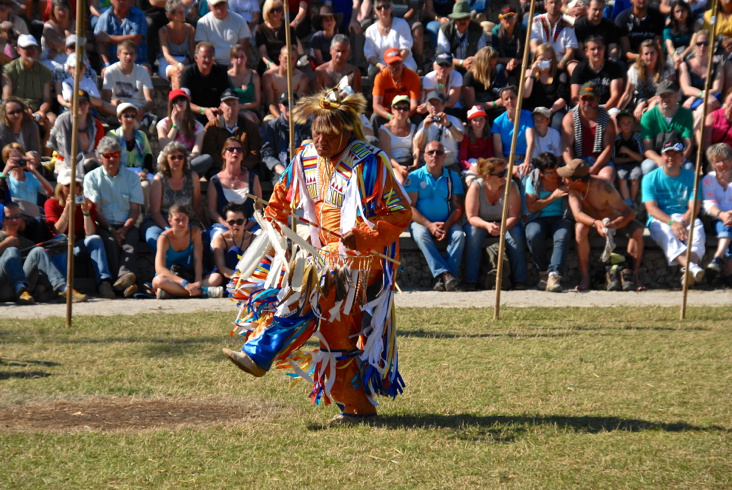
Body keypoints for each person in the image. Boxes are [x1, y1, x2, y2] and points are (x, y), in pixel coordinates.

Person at [222, 88, 412, 424]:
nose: (320, 141)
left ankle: (261, 353)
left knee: (311, 290)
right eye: (315, 133)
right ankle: (357, 408)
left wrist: (364, 235)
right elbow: (281, 200)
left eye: (329, 135)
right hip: (321, 255)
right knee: (334, 334)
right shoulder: (305, 158)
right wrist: (273, 218)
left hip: (361, 262)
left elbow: (399, 213)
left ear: (347, 132)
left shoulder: (369, 162)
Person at [560, 158, 646, 291]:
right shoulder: (573, 188)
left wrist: (614, 225)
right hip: (594, 225)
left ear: (578, 180)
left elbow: (628, 213)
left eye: (566, 178)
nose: (563, 180)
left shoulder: (603, 187)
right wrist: (596, 223)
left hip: (615, 223)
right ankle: (585, 277)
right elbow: (577, 215)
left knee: (638, 230)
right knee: (580, 228)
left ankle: (634, 276)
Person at [83, 137, 144, 298]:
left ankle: (122, 280)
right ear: (99, 157)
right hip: (103, 223)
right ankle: (126, 282)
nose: (112, 159)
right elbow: (96, 211)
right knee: (109, 242)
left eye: (115, 155)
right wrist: (111, 229)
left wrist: (124, 229)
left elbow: (135, 210)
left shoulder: (132, 177)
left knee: (130, 241)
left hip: (127, 224)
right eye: (107, 155)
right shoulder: (91, 178)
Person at [642, 136, 705, 287]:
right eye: (668, 154)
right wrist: (672, 223)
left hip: (685, 216)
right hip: (661, 218)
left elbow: (694, 207)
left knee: (698, 228)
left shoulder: (692, 178)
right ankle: (691, 267)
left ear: (682, 157)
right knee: (663, 231)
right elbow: (651, 208)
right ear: (662, 156)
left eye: (676, 154)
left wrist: (681, 223)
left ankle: (689, 271)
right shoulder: (650, 178)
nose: (671, 158)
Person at [44, 168, 115, 299]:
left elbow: (90, 233)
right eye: (68, 185)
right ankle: (65, 287)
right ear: (60, 187)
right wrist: (67, 209)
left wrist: (86, 213)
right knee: (62, 238)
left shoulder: (87, 202)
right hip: (59, 250)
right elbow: (57, 230)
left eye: (76, 185)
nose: (73, 188)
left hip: (78, 247)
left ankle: (104, 282)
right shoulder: (51, 203)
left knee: (95, 239)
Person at [405, 140, 465, 291]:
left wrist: (448, 225)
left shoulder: (453, 177)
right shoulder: (415, 177)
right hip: (421, 223)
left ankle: (441, 278)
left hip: (448, 221)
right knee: (421, 235)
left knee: (459, 235)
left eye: (438, 152)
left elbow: (458, 208)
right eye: (430, 152)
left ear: (444, 156)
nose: (434, 155)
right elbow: (409, 208)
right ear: (424, 157)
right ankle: (446, 275)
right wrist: (429, 225)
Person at [0, 201, 87, 303]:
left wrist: (42, 284)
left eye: (17, 216)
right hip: (3, 288)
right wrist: (5, 244)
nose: (14, 220)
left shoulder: (26, 242)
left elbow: (35, 269)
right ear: (2, 220)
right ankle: (20, 288)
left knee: (38, 250)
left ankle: (65, 290)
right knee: (12, 250)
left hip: (26, 293)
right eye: (9, 217)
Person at [463, 157, 527, 290]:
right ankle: (471, 280)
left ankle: (520, 279)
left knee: (517, 235)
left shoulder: (511, 186)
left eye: (505, 172)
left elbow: (514, 215)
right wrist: (487, 225)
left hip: (506, 222)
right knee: (472, 234)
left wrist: (502, 227)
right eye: (500, 174)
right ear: (488, 176)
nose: (504, 176)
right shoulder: (476, 187)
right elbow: (471, 216)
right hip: (481, 223)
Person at [144, 141, 208, 255]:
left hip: (183, 221)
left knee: (203, 239)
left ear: (185, 159)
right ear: (166, 160)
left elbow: (197, 206)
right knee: (156, 240)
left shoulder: (192, 177)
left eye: (180, 157)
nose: (177, 160)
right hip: (159, 222)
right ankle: (165, 269)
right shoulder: (159, 179)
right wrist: (168, 229)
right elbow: (154, 211)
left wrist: (207, 227)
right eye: (173, 157)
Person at [152, 203, 223, 299]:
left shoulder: (195, 231)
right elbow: (160, 268)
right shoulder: (164, 238)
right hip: (169, 277)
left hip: (187, 274)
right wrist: (183, 283)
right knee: (158, 281)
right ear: (170, 221)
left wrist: (198, 282)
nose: (181, 223)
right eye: (177, 220)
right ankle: (203, 292)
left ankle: (173, 293)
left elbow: (198, 259)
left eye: (184, 219)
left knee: (216, 278)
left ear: (188, 218)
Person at [525, 152, 573, 292]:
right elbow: (531, 206)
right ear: (540, 173)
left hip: (562, 217)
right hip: (538, 218)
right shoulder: (532, 180)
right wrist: (553, 196)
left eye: (555, 170)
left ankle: (554, 275)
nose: (554, 175)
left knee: (562, 236)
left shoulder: (565, 176)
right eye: (549, 173)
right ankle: (543, 272)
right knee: (534, 234)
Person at [208, 136, 262, 244]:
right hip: (224, 226)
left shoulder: (253, 178)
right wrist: (227, 224)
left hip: (249, 226)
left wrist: (247, 225)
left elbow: (259, 208)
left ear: (242, 156)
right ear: (224, 155)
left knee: (263, 239)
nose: (235, 152)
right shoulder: (215, 181)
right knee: (216, 240)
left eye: (239, 150)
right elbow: (212, 211)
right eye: (231, 149)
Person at [2, 35, 55, 138]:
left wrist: (42, 111)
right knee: (16, 118)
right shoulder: (8, 70)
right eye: (26, 48)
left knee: (52, 121)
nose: (30, 51)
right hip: (16, 110)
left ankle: (46, 153)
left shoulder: (45, 71)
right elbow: (7, 99)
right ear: (18, 49)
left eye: (33, 47)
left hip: (38, 111)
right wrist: (23, 110)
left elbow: (47, 99)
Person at [562, 82, 616, 182]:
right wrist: (572, 168)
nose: (587, 102)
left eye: (591, 99)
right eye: (584, 98)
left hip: (599, 161)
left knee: (607, 177)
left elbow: (608, 149)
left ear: (598, 100)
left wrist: (594, 169)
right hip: (577, 160)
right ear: (579, 98)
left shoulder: (607, 120)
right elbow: (566, 146)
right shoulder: (569, 118)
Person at [203, 89, 262, 178]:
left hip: (245, 167)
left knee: (253, 178)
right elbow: (210, 152)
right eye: (228, 104)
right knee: (215, 178)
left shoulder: (250, 127)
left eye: (234, 104)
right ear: (221, 107)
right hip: (219, 167)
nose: (231, 107)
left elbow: (255, 152)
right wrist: (226, 167)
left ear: (239, 106)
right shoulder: (211, 127)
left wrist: (242, 166)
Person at [640, 81, 694, 177]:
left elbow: (688, 144)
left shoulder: (686, 114)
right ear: (657, 97)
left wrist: (680, 159)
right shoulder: (648, 116)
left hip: (678, 155)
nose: (665, 99)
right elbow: (648, 149)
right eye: (662, 96)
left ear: (676, 96)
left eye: (669, 95)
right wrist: (660, 160)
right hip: (657, 156)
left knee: (688, 167)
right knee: (649, 166)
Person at [156, 88, 213, 178]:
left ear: (187, 102)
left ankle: (183, 178)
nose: (179, 102)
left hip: (188, 162)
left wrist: (184, 161)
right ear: (171, 104)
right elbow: (164, 147)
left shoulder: (198, 126)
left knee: (207, 159)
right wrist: (175, 126)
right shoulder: (163, 124)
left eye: (182, 99)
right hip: (169, 162)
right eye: (175, 100)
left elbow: (196, 152)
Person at [47, 90, 106, 177]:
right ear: (72, 104)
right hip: (64, 162)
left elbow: (100, 151)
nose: (81, 106)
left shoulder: (96, 125)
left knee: (92, 168)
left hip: (89, 160)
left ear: (89, 105)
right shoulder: (62, 121)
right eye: (78, 102)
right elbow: (61, 150)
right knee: (68, 178)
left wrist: (83, 157)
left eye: (84, 103)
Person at [2, 142, 50, 243]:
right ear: (7, 160)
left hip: (32, 219)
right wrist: (6, 169)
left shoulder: (31, 177)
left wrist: (34, 171)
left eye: (20, 157)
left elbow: (49, 191)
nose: (18, 161)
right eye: (14, 158)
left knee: (38, 222)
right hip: (14, 219)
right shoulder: (4, 178)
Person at [261, 92, 312, 185]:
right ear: (280, 107)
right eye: (286, 104)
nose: (290, 107)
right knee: (281, 185)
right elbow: (267, 153)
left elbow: (310, 148)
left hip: (303, 167)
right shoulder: (272, 126)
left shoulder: (306, 125)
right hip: (280, 169)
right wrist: (284, 171)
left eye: (293, 104)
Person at [678, 30, 722, 132]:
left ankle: (686, 137)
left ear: (710, 45)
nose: (702, 47)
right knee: (701, 113)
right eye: (699, 44)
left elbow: (717, 89)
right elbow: (686, 89)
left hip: (710, 101)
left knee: (705, 106)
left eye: (705, 43)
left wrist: (695, 97)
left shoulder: (717, 65)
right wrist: (700, 96)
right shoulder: (685, 65)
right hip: (689, 104)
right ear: (694, 46)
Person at [619, 39, 675, 120]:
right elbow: (628, 93)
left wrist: (644, 104)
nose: (649, 57)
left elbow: (664, 94)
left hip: (659, 101)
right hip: (639, 100)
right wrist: (617, 109)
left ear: (657, 54)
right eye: (646, 54)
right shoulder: (634, 70)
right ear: (641, 56)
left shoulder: (667, 70)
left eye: (652, 53)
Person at [101, 40, 155, 122]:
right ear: (118, 55)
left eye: (131, 54)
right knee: (101, 105)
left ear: (136, 56)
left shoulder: (143, 72)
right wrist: (117, 103)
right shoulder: (110, 71)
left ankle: (134, 117)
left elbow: (150, 101)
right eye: (126, 54)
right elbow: (106, 100)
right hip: (118, 108)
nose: (129, 57)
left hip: (137, 107)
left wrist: (143, 109)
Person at [180, 42, 232, 126]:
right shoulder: (188, 73)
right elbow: (184, 101)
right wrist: (204, 111)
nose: (208, 60)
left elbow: (227, 97)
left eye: (210, 57)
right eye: (204, 57)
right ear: (196, 58)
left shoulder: (221, 72)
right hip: (195, 116)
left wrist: (220, 109)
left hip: (217, 114)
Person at [370, 47, 421, 131]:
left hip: (406, 111)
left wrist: (404, 115)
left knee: (417, 118)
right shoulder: (380, 76)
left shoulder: (413, 76)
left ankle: (420, 143)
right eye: (392, 63)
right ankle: (375, 143)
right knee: (375, 117)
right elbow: (376, 105)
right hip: (388, 112)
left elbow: (414, 104)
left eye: (398, 62)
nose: (396, 65)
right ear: (386, 64)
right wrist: (391, 117)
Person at [365, 0, 418, 78]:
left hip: (402, 60)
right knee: (373, 73)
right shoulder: (370, 30)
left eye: (386, 6)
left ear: (391, 8)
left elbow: (406, 49)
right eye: (379, 8)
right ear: (375, 11)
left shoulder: (402, 24)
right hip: (381, 62)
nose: (383, 10)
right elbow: (370, 55)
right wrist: (381, 66)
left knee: (401, 71)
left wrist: (394, 64)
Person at [523, 43, 569, 132]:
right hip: (532, 109)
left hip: (553, 110)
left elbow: (563, 99)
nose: (545, 63)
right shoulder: (529, 73)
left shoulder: (560, 74)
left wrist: (549, 112)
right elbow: (525, 95)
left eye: (548, 60)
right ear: (535, 60)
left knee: (558, 122)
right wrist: (532, 74)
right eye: (541, 60)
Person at [570, 36, 623, 111]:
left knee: (615, 113)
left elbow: (616, 95)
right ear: (586, 52)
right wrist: (588, 110)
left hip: (607, 106)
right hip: (585, 107)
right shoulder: (579, 69)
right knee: (570, 117)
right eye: (592, 49)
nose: (596, 52)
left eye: (599, 48)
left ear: (604, 48)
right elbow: (575, 97)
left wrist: (601, 111)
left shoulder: (614, 67)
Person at [702, 143, 732, 279]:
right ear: (712, 164)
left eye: (724, 159)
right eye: (717, 161)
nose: (721, 164)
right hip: (718, 219)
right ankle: (728, 274)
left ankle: (718, 258)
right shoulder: (708, 179)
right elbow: (709, 204)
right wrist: (723, 215)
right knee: (727, 225)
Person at [492, 86, 535, 179]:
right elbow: (498, 152)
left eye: (512, 97)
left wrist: (527, 162)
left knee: (527, 176)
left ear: (518, 98)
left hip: (524, 159)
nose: (510, 101)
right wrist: (510, 167)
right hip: (506, 161)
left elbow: (531, 141)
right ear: (503, 102)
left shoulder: (527, 115)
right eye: (506, 99)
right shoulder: (497, 122)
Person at [413, 91, 464, 168]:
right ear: (427, 107)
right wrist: (425, 128)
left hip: (450, 164)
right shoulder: (424, 123)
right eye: (431, 104)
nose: (434, 107)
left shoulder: (453, 120)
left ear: (443, 106)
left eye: (437, 103)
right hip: (431, 164)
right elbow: (419, 145)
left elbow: (460, 137)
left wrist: (448, 125)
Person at [94, 0, 149, 69]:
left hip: (138, 61)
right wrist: (106, 64)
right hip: (113, 63)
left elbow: (135, 39)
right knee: (106, 73)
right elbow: (100, 42)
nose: (123, 2)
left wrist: (109, 38)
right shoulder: (104, 17)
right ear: (112, 1)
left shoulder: (138, 14)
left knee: (145, 71)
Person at [208, 202, 252, 287]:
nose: (236, 225)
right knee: (235, 250)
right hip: (227, 276)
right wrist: (237, 277)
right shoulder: (221, 239)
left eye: (239, 221)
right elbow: (221, 267)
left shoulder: (254, 239)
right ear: (227, 223)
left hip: (248, 276)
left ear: (245, 221)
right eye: (232, 222)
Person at [194, 0, 251, 67]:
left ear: (227, 3)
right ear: (209, 7)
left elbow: (244, 49)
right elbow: (203, 51)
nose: (220, 7)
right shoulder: (203, 23)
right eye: (216, 5)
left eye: (222, 3)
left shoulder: (240, 20)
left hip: (235, 65)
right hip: (212, 66)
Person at [530, 0, 578, 75]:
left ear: (561, 5)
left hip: (560, 61)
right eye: (551, 2)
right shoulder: (537, 20)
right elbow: (534, 46)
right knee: (527, 73)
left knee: (574, 68)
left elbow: (570, 50)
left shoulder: (568, 25)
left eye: (557, 2)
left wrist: (562, 62)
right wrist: (545, 60)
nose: (554, 5)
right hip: (542, 60)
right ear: (545, 5)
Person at [436, 0, 486, 73]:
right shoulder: (445, 30)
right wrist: (462, 63)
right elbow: (444, 56)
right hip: (452, 67)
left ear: (469, 18)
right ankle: (442, 85)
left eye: (465, 18)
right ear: (454, 19)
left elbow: (482, 54)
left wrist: (472, 61)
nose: (462, 21)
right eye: (459, 18)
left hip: (472, 66)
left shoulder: (478, 30)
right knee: (444, 66)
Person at [255, 0, 303, 76]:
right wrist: (272, 65)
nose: (276, 13)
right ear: (267, 12)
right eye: (272, 10)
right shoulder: (260, 29)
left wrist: (288, 64)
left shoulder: (289, 28)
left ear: (282, 11)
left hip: (288, 61)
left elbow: (293, 48)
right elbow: (262, 52)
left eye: (279, 9)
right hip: (269, 62)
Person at [262, 47, 308, 119]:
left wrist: (291, 118)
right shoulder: (269, 76)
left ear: (296, 60)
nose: (289, 61)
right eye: (286, 58)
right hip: (275, 114)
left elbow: (298, 102)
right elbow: (270, 102)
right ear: (279, 58)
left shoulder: (302, 78)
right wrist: (280, 119)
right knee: (268, 121)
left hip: (294, 113)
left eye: (292, 59)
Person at [157, 0, 195, 90]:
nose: (183, 14)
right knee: (175, 73)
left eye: (183, 11)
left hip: (186, 61)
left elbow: (192, 55)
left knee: (178, 76)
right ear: (171, 15)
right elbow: (166, 55)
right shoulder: (163, 31)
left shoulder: (190, 29)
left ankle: (177, 102)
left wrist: (182, 65)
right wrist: (179, 65)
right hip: (168, 62)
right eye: (180, 12)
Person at [462, 46, 509, 118]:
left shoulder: (494, 72)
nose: (493, 67)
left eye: (494, 64)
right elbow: (471, 105)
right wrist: (495, 103)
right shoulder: (469, 77)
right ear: (482, 64)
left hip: (497, 111)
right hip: (479, 113)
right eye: (490, 65)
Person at [379, 95, 416, 184]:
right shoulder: (384, 129)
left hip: (409, 163)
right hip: (392, 165)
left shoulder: (414, 127)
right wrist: (399, 168)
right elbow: (386, 153)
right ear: (392, 110)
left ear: (408, 111)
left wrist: (415, 165)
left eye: (405, 108)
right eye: (398, 108)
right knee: (401, 181)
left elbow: (416, 149)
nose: (401, 111)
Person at [419, 52, 463, 119]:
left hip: (451, 108)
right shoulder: (428, 78)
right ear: (435, 66)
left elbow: (451, 103)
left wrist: (442, 85)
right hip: (432, 109)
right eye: (441, 64)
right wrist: (442, 84)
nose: (444, 68)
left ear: (451, 67)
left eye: (447, 65)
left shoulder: (457, 76)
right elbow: (435, 101)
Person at [614, 110, 644, 207]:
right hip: (621, 165)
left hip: (635, 165)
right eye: (623, 123)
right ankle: (627, 202)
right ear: (618, 125)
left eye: (629, 122)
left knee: (636, 176)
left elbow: (640, 158)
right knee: (622, 177)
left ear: (634, 123)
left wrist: (628, 151)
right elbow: (615, 160)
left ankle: (632, 200)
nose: (626, 125)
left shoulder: (636, 138)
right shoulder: (617, 139)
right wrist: (632, 158)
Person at [227, 45, 261, 125]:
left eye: (242, 57)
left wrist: (242, 107)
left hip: (250, 109)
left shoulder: (254, 75)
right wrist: (239, 109)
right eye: (236, 57)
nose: (239, 60)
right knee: (245, 117)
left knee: (248, 118)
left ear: (246, 58)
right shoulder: (226, 76)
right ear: (231, 60)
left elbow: (257, 102)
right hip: (232, 110)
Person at [458, 106, 493, 182]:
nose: (478, 123)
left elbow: (490, 157)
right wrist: (472, 169)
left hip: (484, 165)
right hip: (470, 166)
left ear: (485, 121)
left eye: (481, 119)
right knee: (471, 180)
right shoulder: (466, 138)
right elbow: (462, 159)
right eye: (475, 120)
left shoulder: (488, 137)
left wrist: (486, 167)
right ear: (470, 123)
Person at [0, 97, 40, 162]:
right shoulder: (1, 128)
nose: (16, 115)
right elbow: (5, 154)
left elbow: (35, 150)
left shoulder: (31, 125)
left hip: (29, 163)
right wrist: (25, 156)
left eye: (18, 111)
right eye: (11, 113)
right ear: (5, 115)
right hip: (9, 164)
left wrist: (34, 156)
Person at [492, 6, 524, 79]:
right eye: (506, 17)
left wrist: (516, 62)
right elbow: (494, 56)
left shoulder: (524, 30)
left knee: (523, 70)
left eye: (512, 17)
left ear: (516, 18)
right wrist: (507, 60)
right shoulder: (496, 31)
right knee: (499, 69)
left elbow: (527, 55)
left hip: (520, 62)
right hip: (502, 61)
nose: (510, 20)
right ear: (501, 20)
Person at [41, 0, 74, 69]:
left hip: (73, 58)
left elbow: (84, 43)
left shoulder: (76, 24)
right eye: (59, 10)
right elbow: (53, 44)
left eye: (65, 9)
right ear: (53, 11)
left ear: (69, 10)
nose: (62, 12)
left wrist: (59, 50)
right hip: (52, 60)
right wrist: (73, 40)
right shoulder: (48, 26)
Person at [663, 0, 694, 70]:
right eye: (677, 11)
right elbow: (669, 47)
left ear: (687, 11)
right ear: (673, 14)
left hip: (688, 53)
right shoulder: (668, 29)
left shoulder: (694, 26)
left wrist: (681, 56)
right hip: (673, 53)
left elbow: (692, 45)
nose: (680, 14)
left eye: (683, 10)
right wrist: (676, 56)